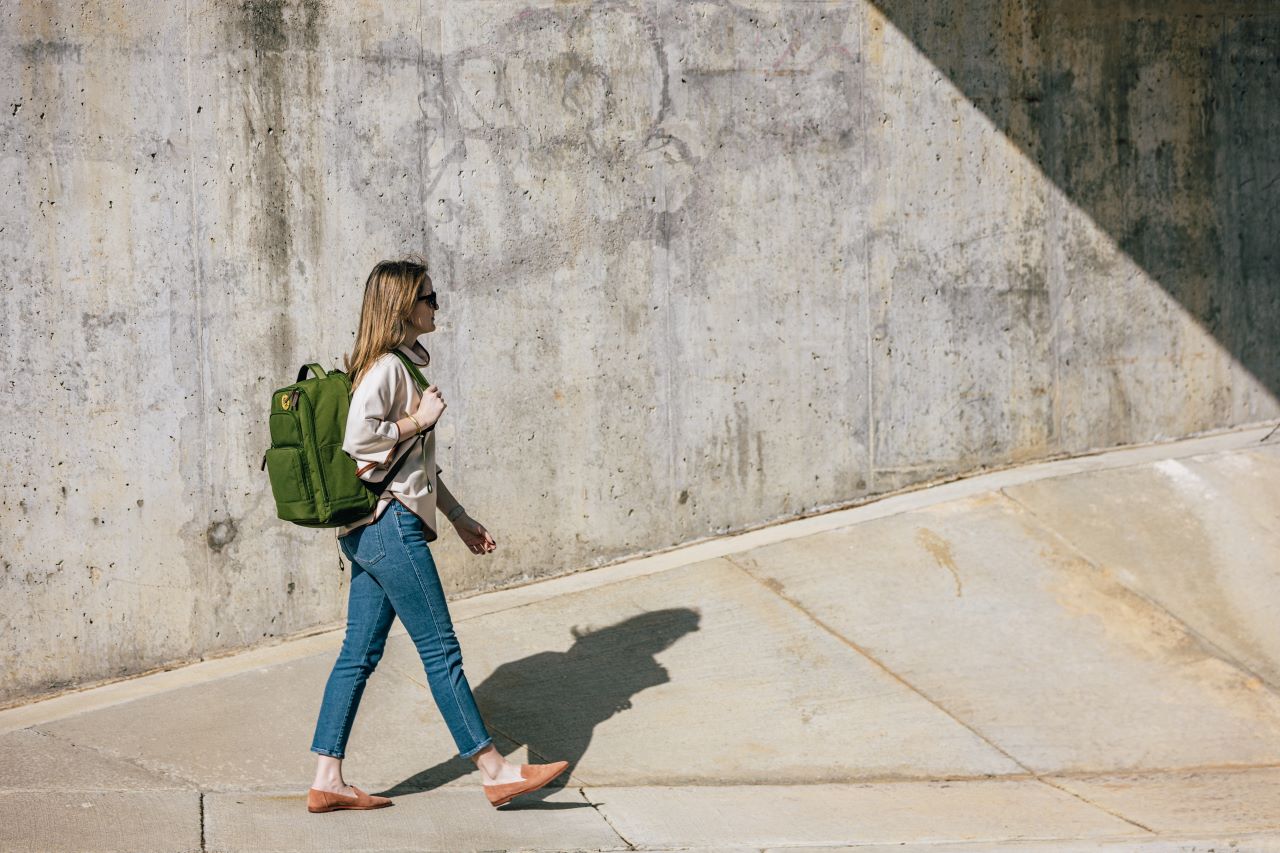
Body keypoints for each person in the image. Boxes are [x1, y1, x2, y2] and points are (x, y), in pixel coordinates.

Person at [306, 257, 569, 813]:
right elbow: (363, 445)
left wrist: (457, 516)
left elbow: (416, 466)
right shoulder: (386, 371)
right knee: (441, 650)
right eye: (429, 297)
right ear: (404, 306)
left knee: (358, 654)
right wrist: (418, 421)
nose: (436, 305)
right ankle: (494, 771)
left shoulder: (397, 367)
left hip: (372, 528)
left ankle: (327, 779)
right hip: (390, 527)